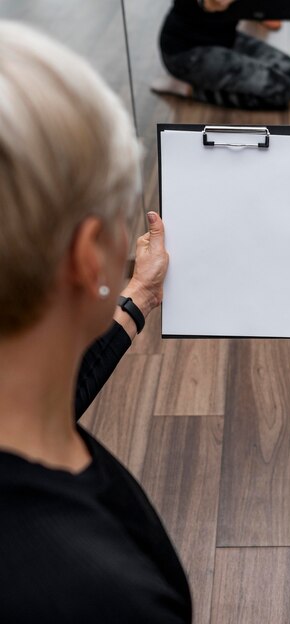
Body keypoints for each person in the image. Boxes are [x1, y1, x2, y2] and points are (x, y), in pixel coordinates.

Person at [0, 21, 191, 622]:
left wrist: (137, 294)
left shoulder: (24, 407)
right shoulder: (101, 596)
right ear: (89, 254)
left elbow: (50, 388)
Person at [158, 0, 290, 109]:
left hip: (226, 38)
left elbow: (286, 3)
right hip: (186, 52)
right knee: (278, 92)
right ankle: (189, 89)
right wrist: (206, 3)